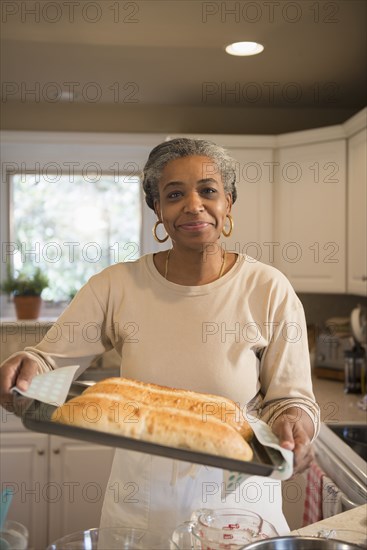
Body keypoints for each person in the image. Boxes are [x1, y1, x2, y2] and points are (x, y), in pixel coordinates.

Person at [0, 138, 319, 536]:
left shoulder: (268, 288)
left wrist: (294, 422)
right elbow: (49, 361)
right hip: (142, 499)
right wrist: (27, 369)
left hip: (238, 498)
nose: (193, 205)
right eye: (174, 194)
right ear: (157, 209)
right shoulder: (117, 286)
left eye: (208, 191)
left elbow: (290, 399)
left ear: (229, 203)